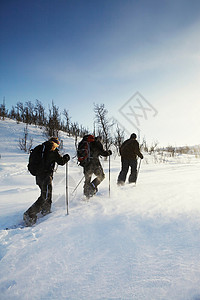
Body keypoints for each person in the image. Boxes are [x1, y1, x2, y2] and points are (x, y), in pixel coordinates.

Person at [23, 137, 70, 226]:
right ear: (55, 143)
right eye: (57, 144)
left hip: (38, 176)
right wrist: (66, 157)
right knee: (45, 195)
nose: (57, 146)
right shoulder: (52, 150)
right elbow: (61, 162)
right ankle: (29, 214)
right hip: (46, 176)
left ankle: (46, 211)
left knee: (46, 193)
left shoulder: (41, 148)